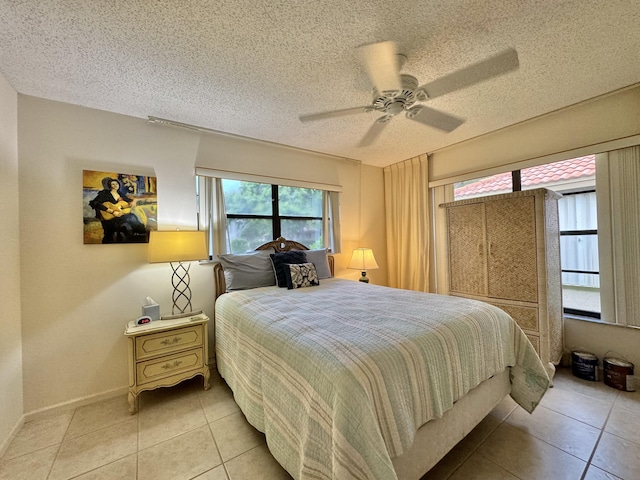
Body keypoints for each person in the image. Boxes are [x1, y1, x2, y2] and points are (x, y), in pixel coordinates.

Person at [89, 177, 147, 243]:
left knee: (133, 218)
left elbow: (129, 201)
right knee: (131, 218)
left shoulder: (120, 194)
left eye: (116, 184)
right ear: (109, 185)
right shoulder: (104, 193)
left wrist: (134, 201)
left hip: (121, 217)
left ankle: (141, 238)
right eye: (113, 184)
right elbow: (94, 203)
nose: (115, 185)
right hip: (109, 218)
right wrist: (111, 211)